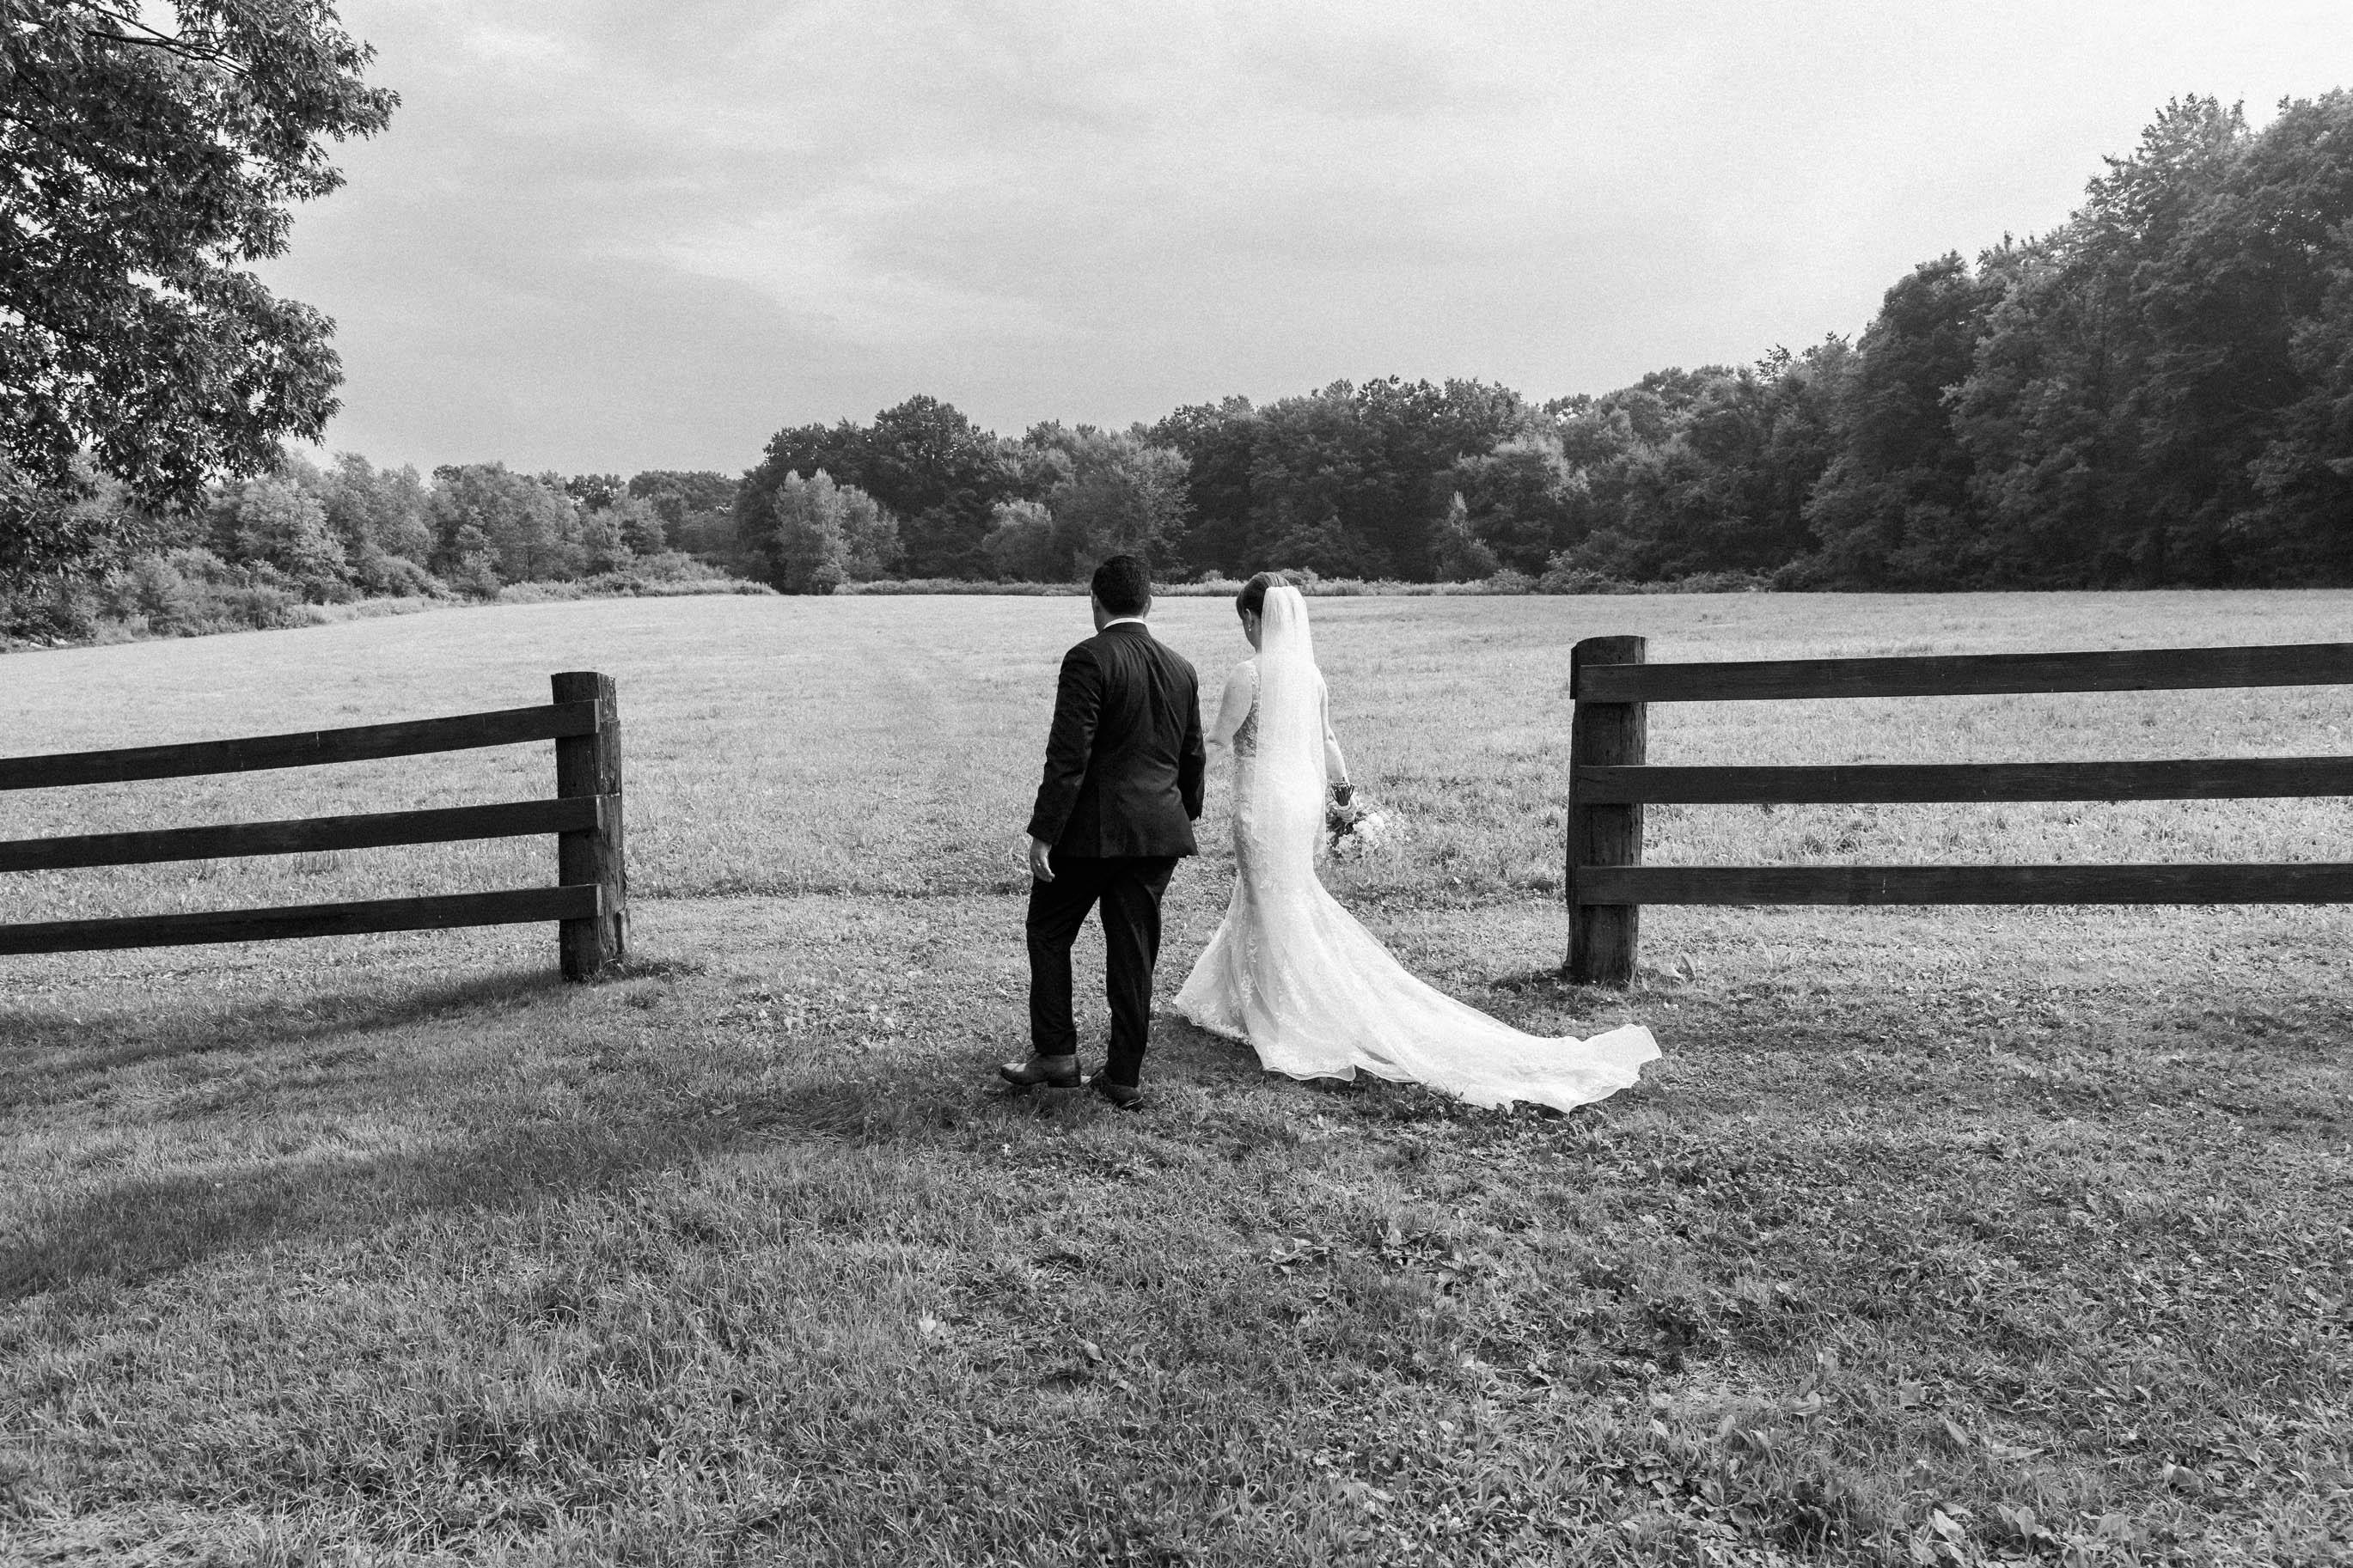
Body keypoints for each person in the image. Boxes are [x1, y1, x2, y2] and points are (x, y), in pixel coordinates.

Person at [1172, 574, 1659, 1113]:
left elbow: (1218, 740)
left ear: (1251, 618)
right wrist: (1344, 797)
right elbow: (1327, 739)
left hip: (1263, 806)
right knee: (1278, 895)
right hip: (1300, 801)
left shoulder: (1248, 675)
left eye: (1244, 620)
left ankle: (1285, 1008)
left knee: (1272, 897)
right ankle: (1246, 996)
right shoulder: (1309, 675)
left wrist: (1174, 787)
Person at [1002, 555, 1207, 1110]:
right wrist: (1183, 814)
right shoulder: (1182, 668)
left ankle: (1057, 1054)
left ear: (1094, 601)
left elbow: (1069, 754)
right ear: (1149, 602)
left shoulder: (1087, 658)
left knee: (1049, 928)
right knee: (1134, 949)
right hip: (1158, 832)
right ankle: (1123, 1075)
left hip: (1091, 833)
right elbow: (1192, 754)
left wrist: (1044, 831)